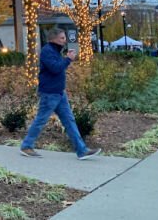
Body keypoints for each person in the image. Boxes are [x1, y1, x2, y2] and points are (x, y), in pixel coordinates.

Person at [20, 27, 101, 160]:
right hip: (50, 93)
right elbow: (56, 68)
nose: (65, 41)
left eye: (64, 38)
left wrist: (65, 59)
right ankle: (26, 145)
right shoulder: (47, 51)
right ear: (53, 39)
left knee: (69, 121)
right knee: (41, 120)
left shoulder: (54, 51)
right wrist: (68, 59)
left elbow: (58, 67)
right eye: (62, 38)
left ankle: (82, 150)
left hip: (59, 93)